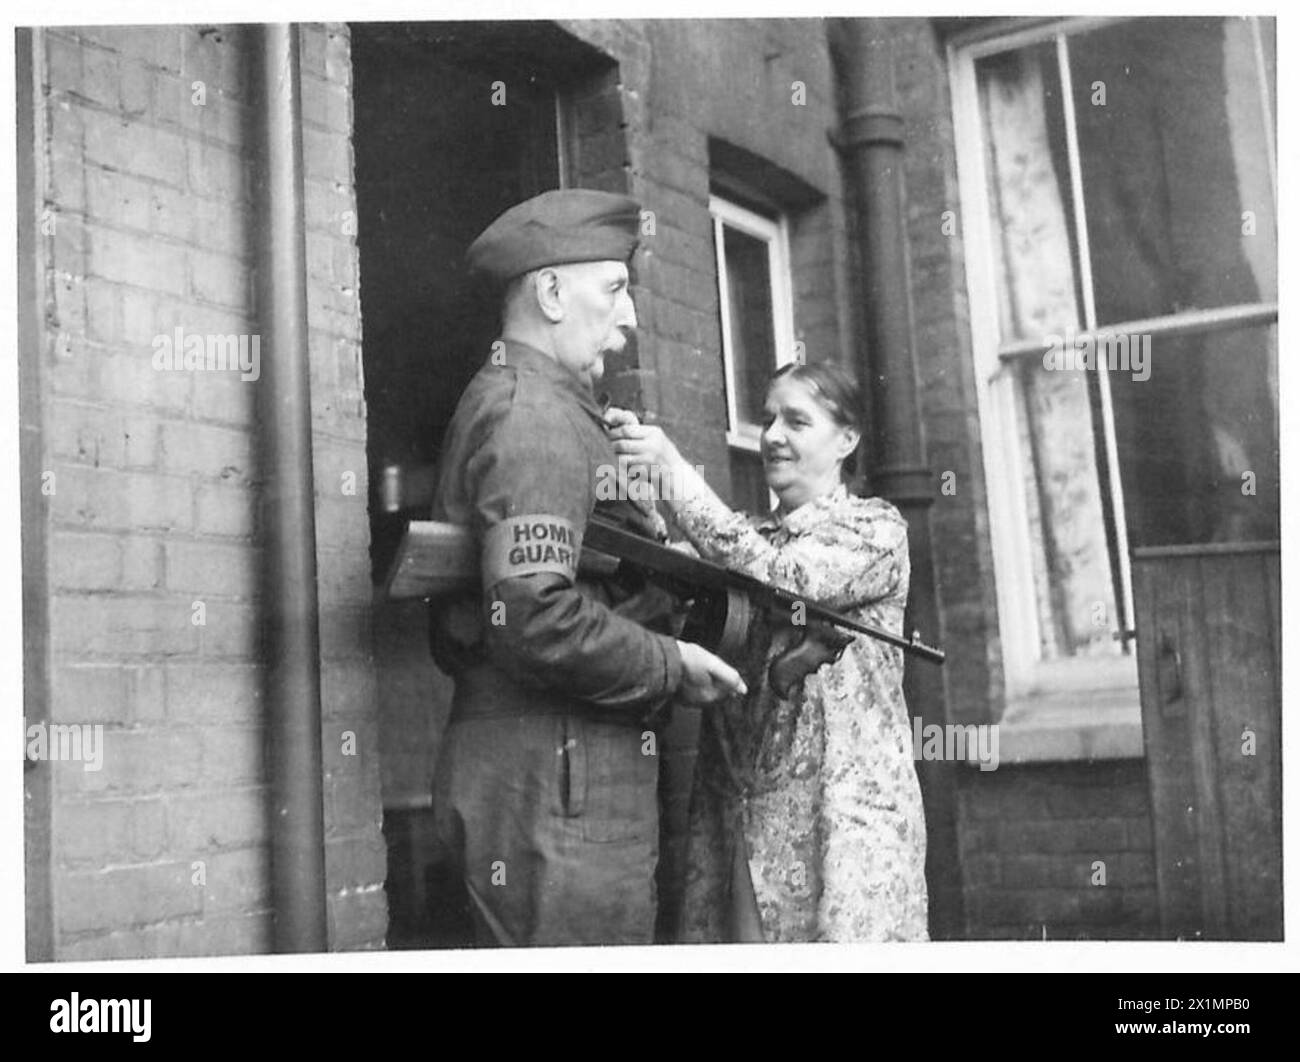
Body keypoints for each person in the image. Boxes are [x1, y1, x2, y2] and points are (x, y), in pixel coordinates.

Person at [429, 188, 746, 948]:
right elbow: (530, 612)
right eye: (614, 289)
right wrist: (670, 664)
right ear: (549, 293)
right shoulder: (531, 416)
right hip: (556, 782)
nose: (630, 316)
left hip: (557, 773)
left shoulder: (556, 410)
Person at [606, 361, 929, 942]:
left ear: (846, 440)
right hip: (744, 830)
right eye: (768, 419)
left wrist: (676, 476)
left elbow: (783, 579)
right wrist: (639, 499)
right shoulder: (747, 537)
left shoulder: (875, 530)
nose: (774, 435)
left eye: (797, 421)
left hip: (847, 824)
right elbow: (680, 571)